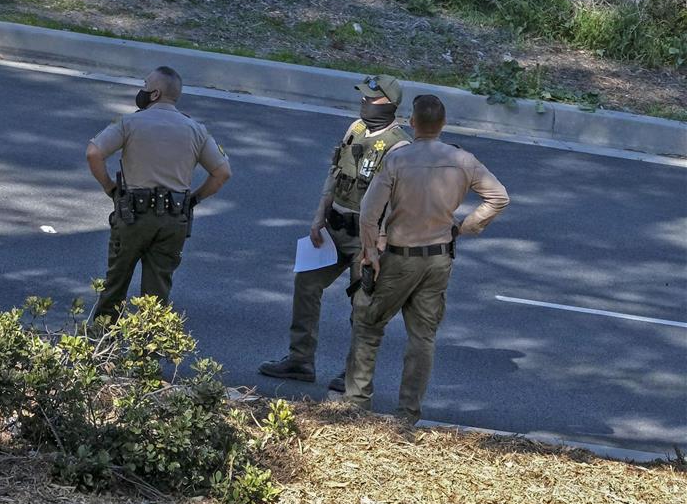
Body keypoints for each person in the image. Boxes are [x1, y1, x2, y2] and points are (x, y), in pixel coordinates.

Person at [345, 93, 509, 422]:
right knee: (422, 337)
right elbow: (498, 196)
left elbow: (368, 213)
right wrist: (466, 227)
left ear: (413, 123)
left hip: (399, 257)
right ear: (443, 124)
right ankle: (407, 416)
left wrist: (369, 253)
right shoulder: (463, 160)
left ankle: (356, 406)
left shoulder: (397, 160)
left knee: (368, 324)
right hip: (439, 260)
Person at [259, 75, 411, 391]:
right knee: (306, 283)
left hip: (367, 239)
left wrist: (380, 242)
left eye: (372, 98)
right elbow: (335, 174)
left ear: (390, 104)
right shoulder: (355, 129)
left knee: (362, 305)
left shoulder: (400, 146)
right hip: (335, 227)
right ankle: (300, 360)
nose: (365, 102)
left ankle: (354, 373)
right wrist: (318, 216)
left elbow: (399, 201)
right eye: (364, 97)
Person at [86, 64, 231, 323]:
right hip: (174, 220)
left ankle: (99, 349)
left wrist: (110, 187)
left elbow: (94, 153)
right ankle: (147, 357)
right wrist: (194, 199)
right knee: (157, 296)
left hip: (133, 216)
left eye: (145, 86)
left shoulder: (130, 122)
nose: (141, 91)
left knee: (114, 286)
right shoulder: (196, 129)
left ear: (154, 94)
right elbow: (222, 173)